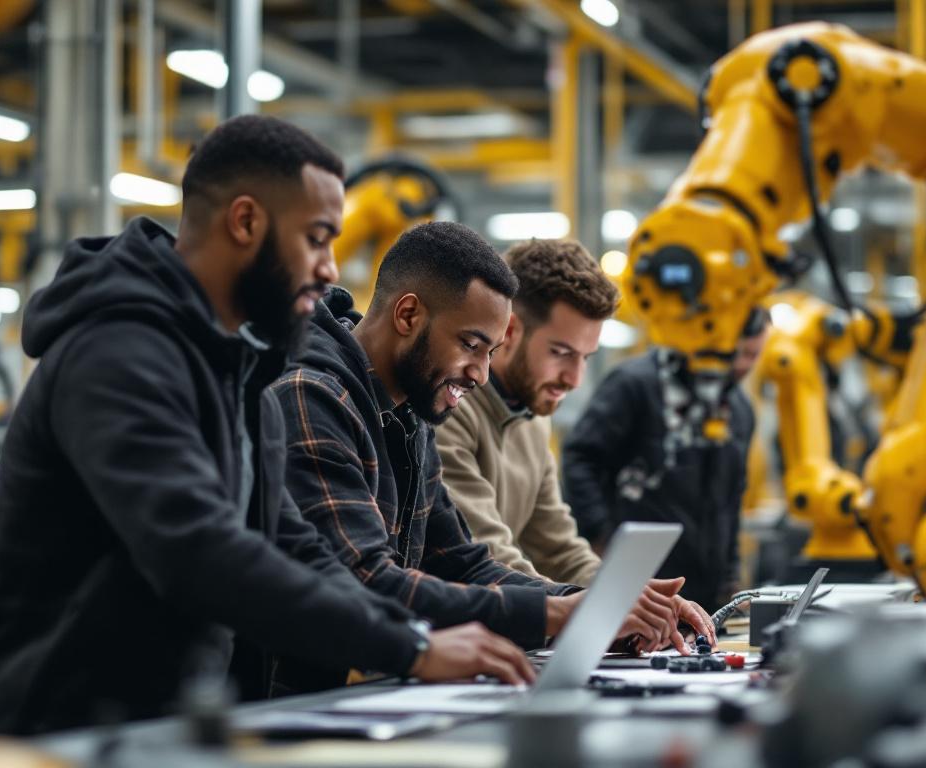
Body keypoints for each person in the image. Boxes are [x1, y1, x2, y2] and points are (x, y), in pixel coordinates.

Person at [0, 116, 533, 736]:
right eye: (316, 238)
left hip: (161, 730)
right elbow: (199, 552)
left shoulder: (239, 368)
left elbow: (294, 545)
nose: (331, 269)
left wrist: (409, 636)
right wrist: (413, 651)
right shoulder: (119, 353)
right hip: (51, 735)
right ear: (247, 221)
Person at [271, 223, 714, 692]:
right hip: (288, 709)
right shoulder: (313, 399)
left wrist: (597, 601)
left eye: (491, 351)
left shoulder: (408, 417)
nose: (482, 374)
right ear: (408, 315)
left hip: (358, 695)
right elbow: (366, 580)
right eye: (471, 345)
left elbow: (462, 563)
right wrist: (557, 612)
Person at [434, 239, 617, 586]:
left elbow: (560, 550)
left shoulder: (533, 420)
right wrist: (569, 605)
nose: (575, 379)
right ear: (510, 330)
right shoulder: (449, 408)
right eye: (561, 352)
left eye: (585, 357)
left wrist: (628, 597)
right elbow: (486, 555)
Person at [562, 310, 766, 608]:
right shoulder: (633, 385)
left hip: (705, 589)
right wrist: (599, 536)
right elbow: (581, 458)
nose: (744, 365)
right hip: (637, 583)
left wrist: (731, 575)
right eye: (740, 353)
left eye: (754, 355)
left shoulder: (739, 410)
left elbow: (731, 498)